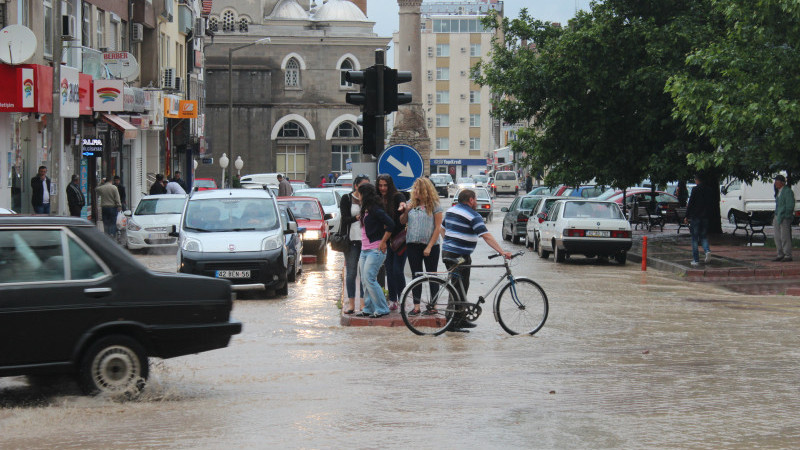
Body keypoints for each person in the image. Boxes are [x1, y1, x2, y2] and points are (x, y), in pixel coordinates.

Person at [442, 189, 512, 332]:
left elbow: (442, 229)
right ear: (471, 200)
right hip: (459, 255)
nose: (477, 203)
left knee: (460, 285)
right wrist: (502, 252)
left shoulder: (451, 211)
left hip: (449, 252)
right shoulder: (473, 215)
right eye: (476, 200)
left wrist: (449, 243)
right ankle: (452, 322)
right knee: (457, 285)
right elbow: (486, 236)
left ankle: (460, 318)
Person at [399, 178, 443, 315]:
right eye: (415, 188)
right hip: (413, 244)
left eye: (418, 189)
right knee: (416, 276)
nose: (415, 191)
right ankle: (416, 306)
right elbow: (402, 222)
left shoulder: (435, 205)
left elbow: (437, 228)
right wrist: (406, 210)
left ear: (425, 190)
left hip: (431, 246)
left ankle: (433, 305)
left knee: (432, 275)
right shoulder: (411, 204)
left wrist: (429, 246)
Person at [355, 183, 394, 319]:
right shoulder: (365, 209)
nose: (357, 196)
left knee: (370, 278)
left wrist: (383, 242)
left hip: (375, 249)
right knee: (365, 280)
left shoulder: (375, 209)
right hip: (364, 249)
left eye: (359, 194)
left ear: (364, 195)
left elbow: (391, 224)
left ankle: (382, 308)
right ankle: (368, 308)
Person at [340, 174, 370, 314]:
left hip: (367, 241)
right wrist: (358, 217)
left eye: (368, 185)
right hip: (351, 241)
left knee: (364, 274)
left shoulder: (370, 199)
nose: (365, 188)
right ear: (356, 186)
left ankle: (363, 304)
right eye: (362, 185)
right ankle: (351, 304)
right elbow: (344, 219)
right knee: (351, 273)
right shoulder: (347, 198)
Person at [377, 174, 407, 311]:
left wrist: (403, 205)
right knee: (389, 270)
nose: (383, 188)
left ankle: (403, 299)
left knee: (397, 270)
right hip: (387, 240)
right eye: (380, 185)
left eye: (385, 185)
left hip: (400, 240)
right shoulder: (377, 199)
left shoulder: (396, 196)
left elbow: (402, 202)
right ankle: (393, 300)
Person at [684, 173, 713, 266]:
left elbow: (691, 203)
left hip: (696, 217)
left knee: (694, 239)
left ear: (697, 180)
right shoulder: (709, 190)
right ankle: (707, 250)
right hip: (705, 217)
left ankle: (696, 260)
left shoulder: (695, 189)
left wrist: (686, 216)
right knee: (703, 236)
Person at [773, 174, 795, 262]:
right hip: (777, 215)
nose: (775, 183)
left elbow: (790, 205)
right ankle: (780, 253)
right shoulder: (779, 191)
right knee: (777, 236)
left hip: (784, 217)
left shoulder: (787, 191)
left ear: (782, 182)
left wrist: (785, 214)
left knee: (785, 236)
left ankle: (787, 254)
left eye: (777, 181)